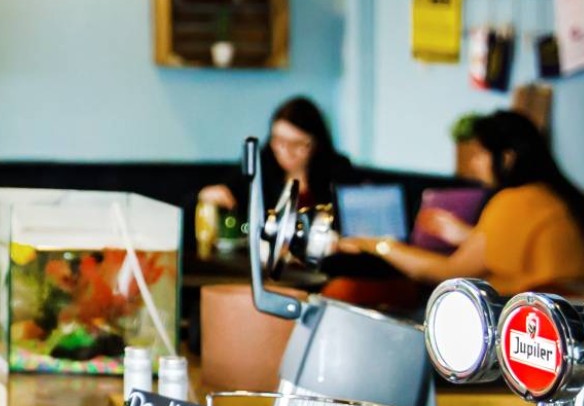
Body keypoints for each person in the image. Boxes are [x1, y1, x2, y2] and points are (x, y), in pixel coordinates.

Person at [338, 110, 584, 295]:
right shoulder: (552, 195)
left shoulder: (515, 201)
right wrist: (467, 236)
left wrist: (378, 244)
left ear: (507, 158)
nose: (472, 164)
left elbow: (449, 273)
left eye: (479, 154)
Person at [197, 94, 354, 217]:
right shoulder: (260, 164)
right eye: (279, 141)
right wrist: (208, 194)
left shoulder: (337, 169)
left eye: (296, 144)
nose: (286, 151)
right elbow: (226, 190)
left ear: (316, 143)